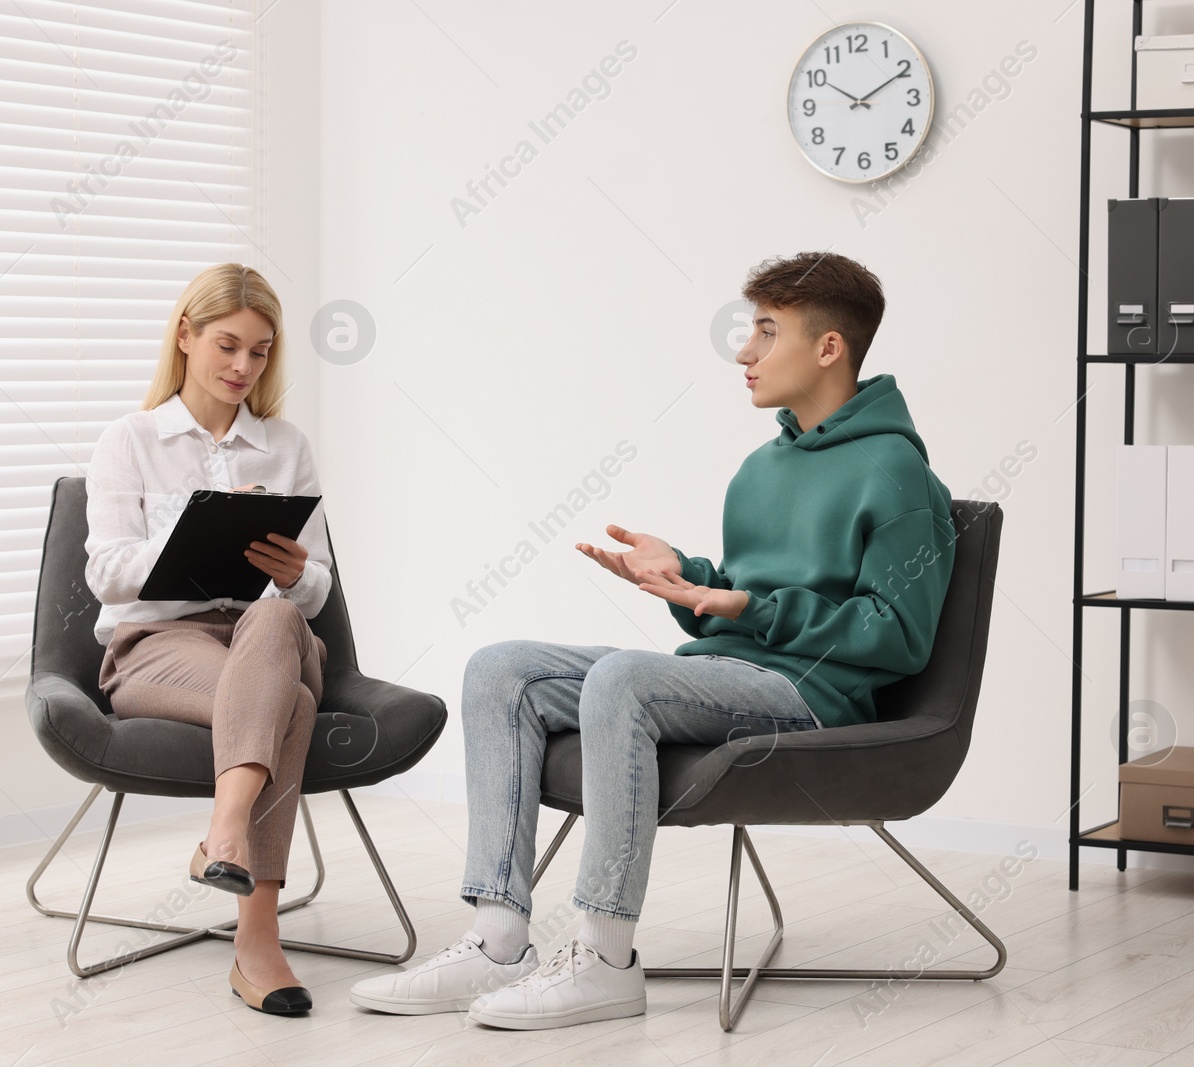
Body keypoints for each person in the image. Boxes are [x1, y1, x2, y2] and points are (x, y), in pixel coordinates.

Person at [349, 251, 956, 1029]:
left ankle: (605, 958)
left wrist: (745, 604)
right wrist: (688, 578)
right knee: (500, 670)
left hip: (816, 700)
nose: (745, 352)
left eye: (767, 332)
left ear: (829, 347)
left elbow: (898, 637)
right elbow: (743, 601)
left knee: (626, 679)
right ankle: (499, 939)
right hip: (735, 675)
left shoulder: (898, 472)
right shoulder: (760, 469)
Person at [84, 262, 330, 1016]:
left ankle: (221, 836)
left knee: (283, 618)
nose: (241, 366)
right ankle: (257, 941)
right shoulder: (130, 439)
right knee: (282, 699)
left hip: (268, 631)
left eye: (259, 352)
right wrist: (192, 533)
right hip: (159, 641)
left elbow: (319, 589)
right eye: (227, 345)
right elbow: (104, 571)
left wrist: (294, 573)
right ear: (185, 336)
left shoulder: (284, 445)